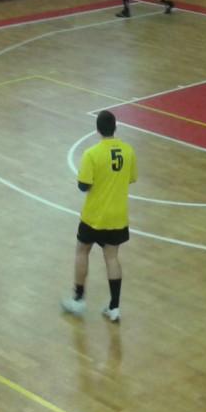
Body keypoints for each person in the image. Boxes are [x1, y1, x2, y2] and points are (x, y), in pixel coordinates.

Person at [61, 110, 136, 323]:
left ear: (97, 130)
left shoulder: (92, 154)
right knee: (112, 257)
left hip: (94, 216)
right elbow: (131, 178)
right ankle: (114, 307)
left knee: (82, 250)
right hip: (117, 215)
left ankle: (78, 299)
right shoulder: (128, 151)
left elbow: (83, 186)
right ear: (115, 127)